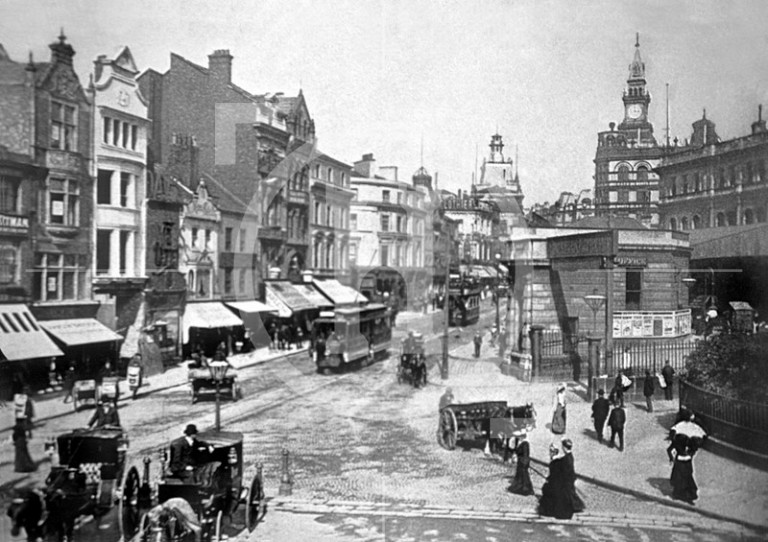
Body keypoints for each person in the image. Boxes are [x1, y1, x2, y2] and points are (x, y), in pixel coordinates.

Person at [667, 415, 702, 504]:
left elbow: (669, 449)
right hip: (686, 461)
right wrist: (690, 454)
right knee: (687, 477)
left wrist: (672, 458)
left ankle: (679, 494)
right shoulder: (692, 440)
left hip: (679, 460)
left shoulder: (677, 439)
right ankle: (688, 495)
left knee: (680, 478)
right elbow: (694, 449)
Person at [538, 444, 574, 519]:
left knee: (546, 489)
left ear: (553, 453)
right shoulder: (560, 460)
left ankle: (549, 510)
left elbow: (554, 474)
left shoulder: (554, 462)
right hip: (559, 483)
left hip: (556, 484)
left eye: (551, 452)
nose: (549, 454)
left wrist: (548, 480)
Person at [561, 438, 585, 513]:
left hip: (568, 478)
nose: (562, 448)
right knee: (569, 492)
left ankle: (576, 506)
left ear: (564, 448)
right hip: (570, 477)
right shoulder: (570, 456)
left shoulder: (566, 458)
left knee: (570, 492)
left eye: (562, 447)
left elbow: (566, 470)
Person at [507, 431, 533, 496]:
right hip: (521, 461)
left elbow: (525, 454)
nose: (518, 438)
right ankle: (521, 488)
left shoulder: (525, 443)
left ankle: (525, 489)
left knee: (524, 476)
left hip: (523, 461)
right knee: (520, 475)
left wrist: (524, 462)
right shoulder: (521, 442)